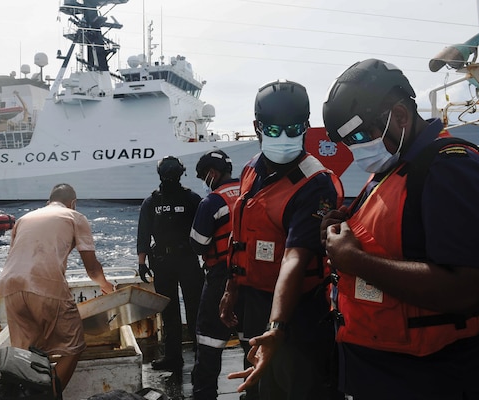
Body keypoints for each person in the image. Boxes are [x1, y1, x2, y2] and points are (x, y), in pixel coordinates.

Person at [320, 58, 479, 399]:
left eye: (359, 135)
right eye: (347, 141)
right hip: (381, 372)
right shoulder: (393, 168)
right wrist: (345, 227)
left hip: (430, 378)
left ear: (399, 116)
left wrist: (355, 261)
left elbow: (472, 291)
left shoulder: (450, 168)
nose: (355, 149)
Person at [220, 79, 343, 399]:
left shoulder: (315, 184)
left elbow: (294, 259)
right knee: (259, 389)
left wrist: (277, 328)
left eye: (294, 129)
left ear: (306, 126)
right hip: (257, 301)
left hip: (300, 311)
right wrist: (231, 288)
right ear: (257, 127)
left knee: (300, 388)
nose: (285, 138)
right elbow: (241, 234)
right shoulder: (250, 170)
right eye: (274, 131)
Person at [0, 183, 114, 391]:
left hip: (10, 285)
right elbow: (92, 269)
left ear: (48, 201)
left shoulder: (24, 219)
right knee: (73, 346)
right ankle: (47, 395)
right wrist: (106, 286)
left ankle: (27, 394)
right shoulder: (74, 217)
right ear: (73, 203)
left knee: (26, 353)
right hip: (45, 284)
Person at [190, 149, 251, 400]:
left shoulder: (213, 201)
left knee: (209, 341)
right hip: (252, 277)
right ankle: (255, 391)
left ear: (212, 174)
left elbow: (198, 243)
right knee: (251, 340)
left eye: (204, 176)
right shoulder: (251, 192)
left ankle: (205, 394)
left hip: (220, 278)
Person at [137, 155, 205, 371]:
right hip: (165, 261)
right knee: (170, 310)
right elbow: (144, 234)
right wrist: (142, 262)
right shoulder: (153, 202)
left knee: (193, 309)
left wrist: (142, 262)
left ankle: (198, 353)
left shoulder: (191, 200)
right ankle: (175, 357)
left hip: (186, 260)